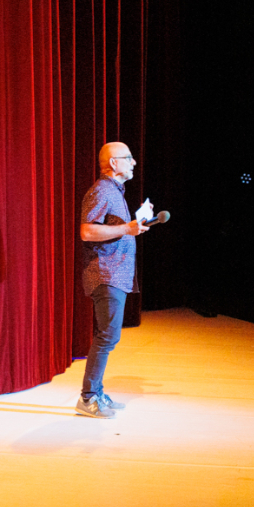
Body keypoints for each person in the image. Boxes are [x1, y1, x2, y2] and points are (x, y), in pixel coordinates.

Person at [77, 142, 149, 418]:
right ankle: (88, 398)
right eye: (128, 158)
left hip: (116, 273)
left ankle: (96, 392)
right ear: (114, 163)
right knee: (107, 336)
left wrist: (133, 227)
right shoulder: (102, 190)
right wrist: (126, 228)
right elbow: (87, 231)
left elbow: (114, 229)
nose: (133, 162)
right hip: (105, 273)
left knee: (108, 336)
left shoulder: (115, 192)